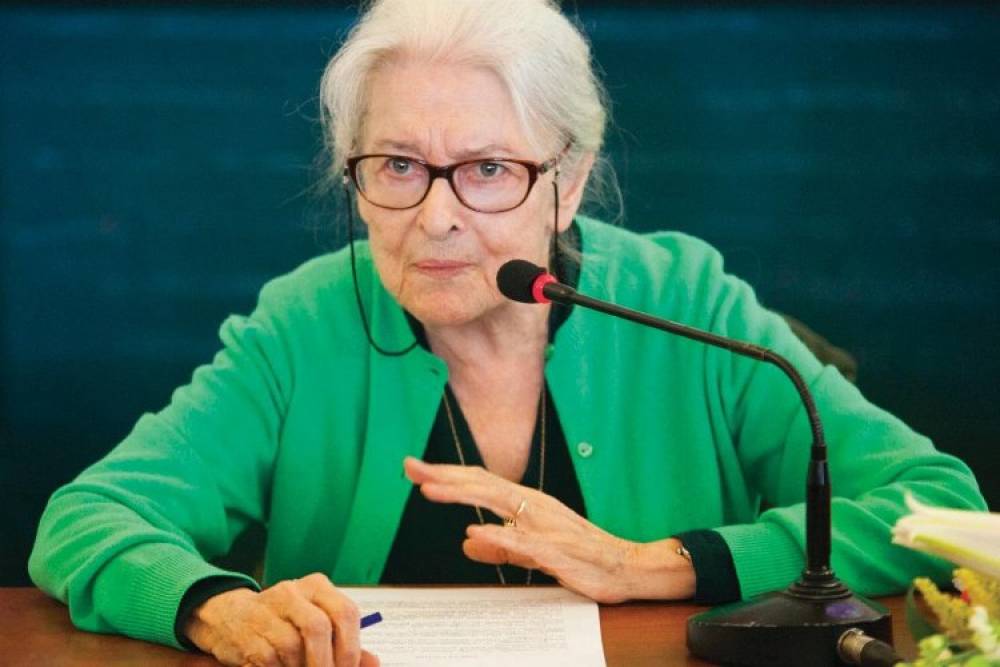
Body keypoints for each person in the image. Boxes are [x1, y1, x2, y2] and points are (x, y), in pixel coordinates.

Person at [29, 1, 985, 666]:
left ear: (568, 181)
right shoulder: (303, 323)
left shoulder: (684, 297)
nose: (437, 217)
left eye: (488, 169)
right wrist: (215, 608)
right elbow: (88, 518)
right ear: (352, 176)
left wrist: (654, 563)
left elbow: (939, 507)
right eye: (398, 165)